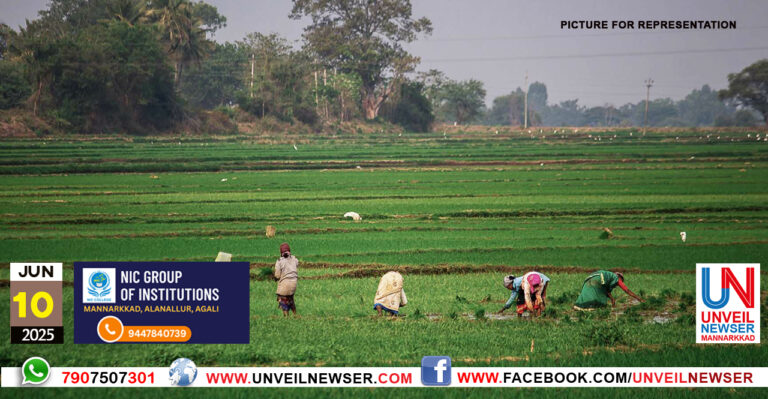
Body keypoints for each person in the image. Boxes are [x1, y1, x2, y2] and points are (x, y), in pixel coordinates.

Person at [573, 270, 644, 311]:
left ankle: (579, 306)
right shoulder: (616, 278)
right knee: (599, 297)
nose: (617, 285)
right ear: (619, 277)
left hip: (589, 279)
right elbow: (627, 290)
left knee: (588, 294)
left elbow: (606, 291)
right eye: (621, 281)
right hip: (598, 279)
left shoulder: (607, 278)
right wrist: (639, 299)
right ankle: (594, 308)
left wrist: (612, 300)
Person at [274, 242, 298, 316]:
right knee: (290, 298)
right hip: (294, 283)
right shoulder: (294, 259)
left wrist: (275, 278)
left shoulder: (279, 261)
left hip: (285, 284)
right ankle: (295, 315)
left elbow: (277, 275)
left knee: (283, 299)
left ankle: (286, 317)